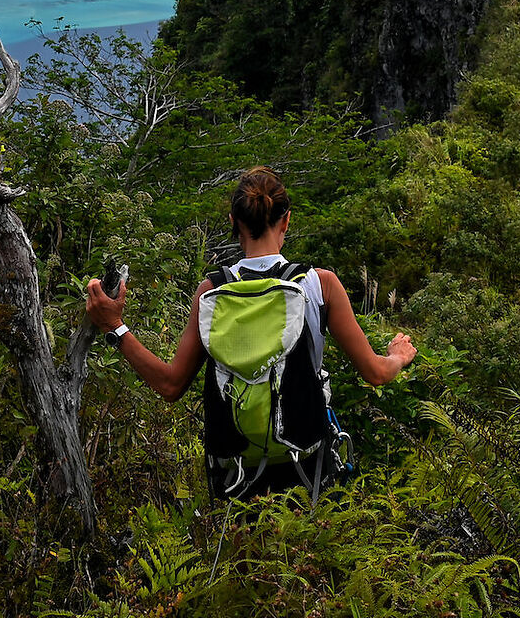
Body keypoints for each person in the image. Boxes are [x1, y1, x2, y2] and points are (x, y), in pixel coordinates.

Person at [85, 166, 416, 500]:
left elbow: (170, 385)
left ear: (233, 221)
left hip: (235, 480)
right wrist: (398, 356)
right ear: (286, 220)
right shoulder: (320, 285)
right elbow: (375, 373)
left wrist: (116, 327)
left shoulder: (210, 292)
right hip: (306, 472)